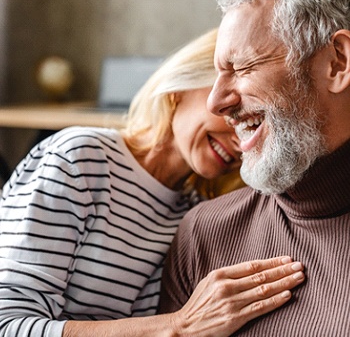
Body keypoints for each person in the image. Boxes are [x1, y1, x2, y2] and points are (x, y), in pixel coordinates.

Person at [0, 29, 305, 337]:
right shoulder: (79, 159)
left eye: (253, 124)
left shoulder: (195, 212)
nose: (240, 144)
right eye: (230, 114)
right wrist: (179, 326)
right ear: (180, 89)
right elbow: (8, 325)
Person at [159, 0, 350, 336]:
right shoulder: (204, 233)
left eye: (241, 67)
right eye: (218, 73)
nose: (216, 102)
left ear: (337, 62)